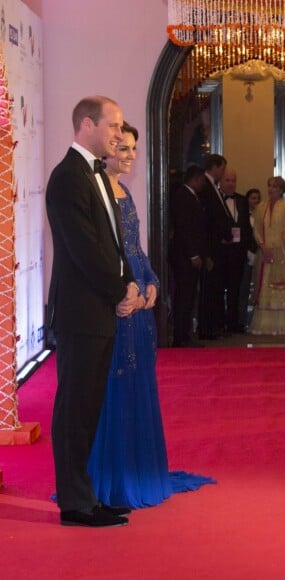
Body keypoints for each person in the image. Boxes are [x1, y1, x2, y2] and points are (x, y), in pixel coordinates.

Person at [88, 123, 215, 508]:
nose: (129, 155)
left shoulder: (123, 191)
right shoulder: (94, 191)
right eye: (122, 148)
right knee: (115, 388)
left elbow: (135, 249)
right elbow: (100, 253)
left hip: (139, 307)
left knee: (139, 384)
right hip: (118, 304)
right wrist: (124, 290)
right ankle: (115, 478)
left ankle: (140, 471)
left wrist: (152, 284)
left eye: (133, 149)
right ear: (105, 147)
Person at [46, 96, 141, 527]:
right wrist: (120, 288)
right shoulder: (67, 177)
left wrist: (130, 282)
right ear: (87, 124)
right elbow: (83, 249)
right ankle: (74, 503)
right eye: (113, 126)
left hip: (100, 309)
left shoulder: (99, 176)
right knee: (75, 409)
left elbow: (111, 245)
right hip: (82, 312)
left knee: (89, 407)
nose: (119, 135)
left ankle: (85, 495)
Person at [249, 177, 285, 335]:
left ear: (281, 190)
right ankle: (267, 325)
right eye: (269, 186)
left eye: (275, 187)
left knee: (284, 284)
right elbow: (256, 230)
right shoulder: (261, 206)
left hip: (283, 251)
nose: (271, 189)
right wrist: (263, 246)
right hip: (265, 251)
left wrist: (273, 249)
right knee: (265, 284)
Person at [168, 164, 209, 347]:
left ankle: (184, 334)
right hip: (184, 257)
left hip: (188, 255)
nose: (203, 184)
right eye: (202, 180)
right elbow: (185, 228)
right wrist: (193, 255)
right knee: (184, 296)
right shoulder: (183, 197)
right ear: (197, 178)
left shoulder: (191, 196)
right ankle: (180, 336)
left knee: (189, 295)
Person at [217, 168, 253, 333]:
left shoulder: (242, 200)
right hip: (221, 252)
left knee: (236, 290)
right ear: (220, 181)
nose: (231, 184)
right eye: (227, 180)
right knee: (218, 291)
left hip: (238, 253)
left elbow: (246, 227)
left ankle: (233, 323)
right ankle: (220, 324)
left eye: (233, 181)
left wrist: (250, 248)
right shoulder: (215, 199)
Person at [197, 153, 228, 339]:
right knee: (210, 289)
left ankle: (213, 327)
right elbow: (207, 220)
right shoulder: (205, 186)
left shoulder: (212, 186)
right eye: (222, 168)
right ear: (215, 167)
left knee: (215, 288)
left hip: (217, 246)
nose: (223, 172)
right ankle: (207, 328)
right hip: (211, 247)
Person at [238, 188, 262, 328]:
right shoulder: (243, 215)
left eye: (258, 198)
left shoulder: (263, 215)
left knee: (260, 289)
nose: (256, 201)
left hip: (260, 254)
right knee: (244, 288)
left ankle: (257, 321)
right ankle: (242, 321)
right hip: (247, 254)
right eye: (253, 198)